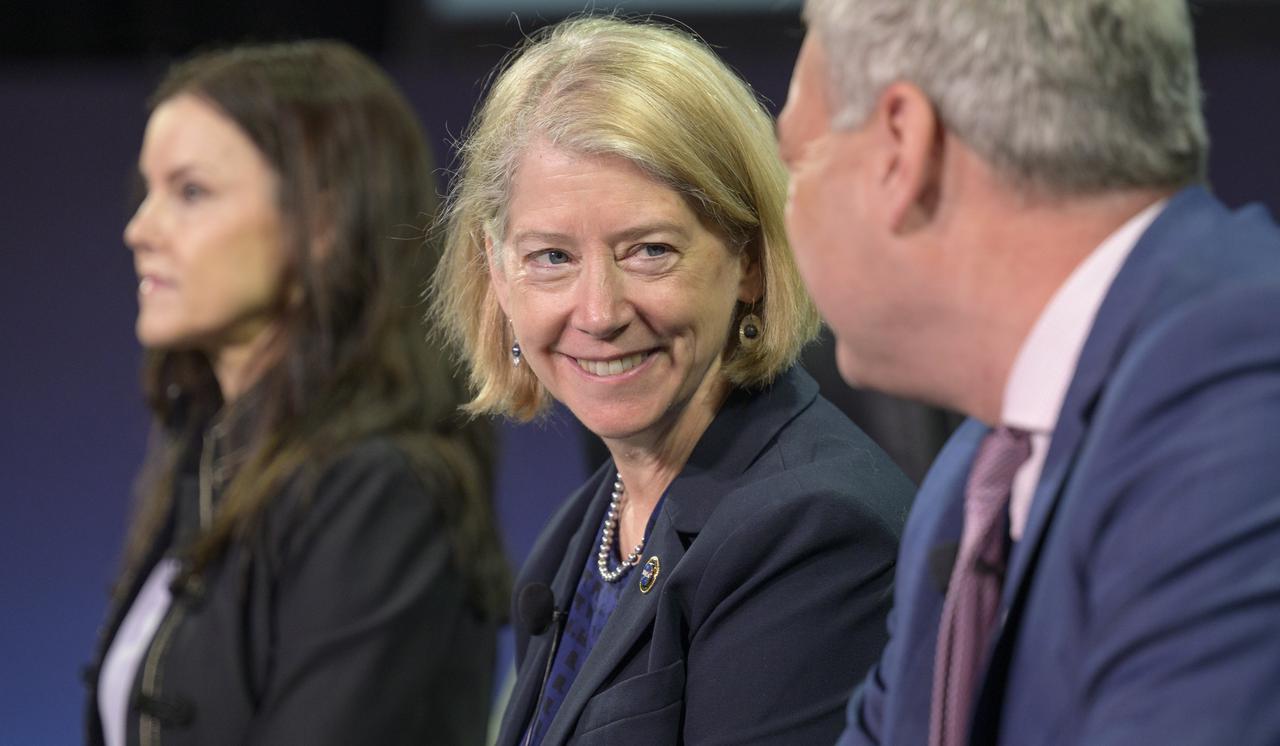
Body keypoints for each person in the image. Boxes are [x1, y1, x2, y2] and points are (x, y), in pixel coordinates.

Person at [778, 1, 1280, 744]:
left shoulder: (1240, 390)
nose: (790, 219)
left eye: (796, 165)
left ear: (899, 146)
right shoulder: (973, 481)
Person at [431, 15, 915, 746]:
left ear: (749, 261)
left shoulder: (814, 531)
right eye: (551, 258)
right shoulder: (582, 530)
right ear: (496, 273)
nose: (599, 312)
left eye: (650, 251)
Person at [84, 41, 508, 746]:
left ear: (323, 224)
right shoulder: (208, 461)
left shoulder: (383, 496)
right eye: (145, 192)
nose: (139, 230)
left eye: (189, 192)